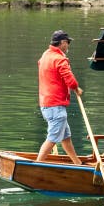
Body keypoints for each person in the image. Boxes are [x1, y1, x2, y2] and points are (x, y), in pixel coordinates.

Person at [37, 30, 84, 165]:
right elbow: (70, 80)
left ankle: (77, 163)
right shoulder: (59, 59)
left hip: (46, 104)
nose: (68, 45)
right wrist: (76, 88)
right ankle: (38, 165)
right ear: (62, 42)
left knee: (65, 137)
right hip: (55, 106)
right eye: (67, 42)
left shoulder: (45, 55)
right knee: (52, 138)